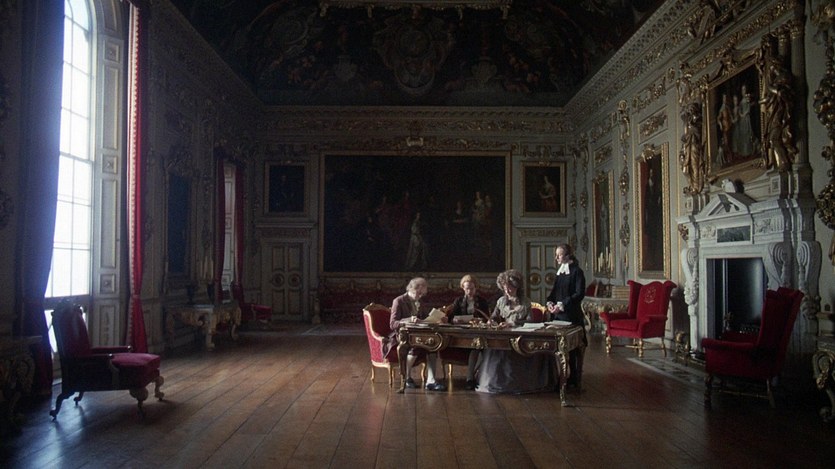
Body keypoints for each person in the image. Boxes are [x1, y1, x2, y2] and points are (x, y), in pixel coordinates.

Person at [476, 270, 553, 394]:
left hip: (521, 336)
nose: (507, 291)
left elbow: (530, 321)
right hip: (504, 335)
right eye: (505, 288)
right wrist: (492, 321)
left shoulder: (525, 302)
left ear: (517, 287)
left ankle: (519, 383)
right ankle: (497, 382)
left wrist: (513, 323)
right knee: (495, 347)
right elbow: (494, 317)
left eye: (510, 287)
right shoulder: (501, 301)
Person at [385, 277, 446, 391]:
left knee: (433, 346)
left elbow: (425, 318)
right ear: (411, 289)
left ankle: (431, 381)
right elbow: (392, 324)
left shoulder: (419, 301)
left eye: (422, 294)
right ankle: (407, 377)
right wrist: (409, 320)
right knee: (416, 346)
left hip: (419, 333)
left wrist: (437, 319)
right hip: (403, 335)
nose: (420, 296)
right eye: (418, 293)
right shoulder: (399, 301)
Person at [546, 244, 587, 385]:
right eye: (556, 254)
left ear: (568, 255)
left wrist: (562, 304)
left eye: (559, 255)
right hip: (558, 316)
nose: (556, 257)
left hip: (571, 315)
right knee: (560, 348)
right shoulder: (560, 272)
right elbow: (554, 292)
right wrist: (550, 302)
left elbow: (579, 294)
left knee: (572, 349)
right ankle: (562, 377)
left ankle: (574, 378)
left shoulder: (577, 272)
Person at [448, 274, 490, 390]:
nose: (469, 291)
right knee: (475, 347)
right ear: (463, 288)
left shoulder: (482, 301)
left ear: (476, 288)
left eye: (472, 288)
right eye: (467, 288)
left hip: (477, 332)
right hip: (462, 334)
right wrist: (455, 320)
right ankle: (471, 377)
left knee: (479, 347)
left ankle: (471, 377)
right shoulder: (459, 301)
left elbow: (487, 318)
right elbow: (450, 318)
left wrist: (479, 320)